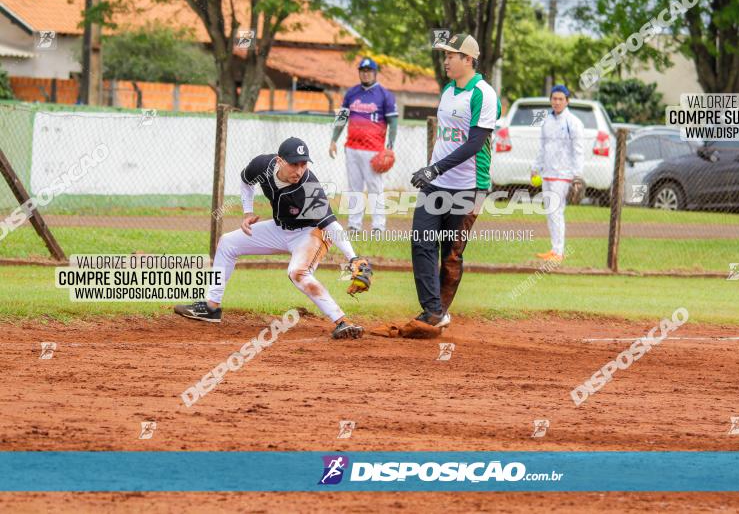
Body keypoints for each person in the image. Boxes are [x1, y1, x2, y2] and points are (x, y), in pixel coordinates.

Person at [174, 137, 368, 339]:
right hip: (280, 228)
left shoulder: (309, 186)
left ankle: (343, 321)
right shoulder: (262, 166)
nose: (299, 170)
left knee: (298, 273)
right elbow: (245, 182)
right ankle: (211, 307)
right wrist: (247, 213)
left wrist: (352, 258)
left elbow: (331, 224)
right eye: (294, 164)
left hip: (312, 233)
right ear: (279, 161)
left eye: (304, 164)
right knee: (228, 242)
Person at [408, 33, 499, 327]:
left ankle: (437, 311)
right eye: (445, 55)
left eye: (451, 55)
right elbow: (447, 140)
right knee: (421, 241)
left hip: (470, 186)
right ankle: (433, 311)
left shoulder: (484, 94)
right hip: (437, 184)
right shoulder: (448, 90)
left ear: (468, 59)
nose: (445, 60)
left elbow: (474, 144)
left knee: (450, 253)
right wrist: (434, 171)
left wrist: (433, 169)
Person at [330, 57, 398, 234]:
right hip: (352, 148)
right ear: (359, 72)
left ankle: (378, 226)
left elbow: (393, 123)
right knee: (354, 187)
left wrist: (389, 147)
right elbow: (342, 118)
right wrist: (333, 140)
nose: (365, 73)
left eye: (369, 70)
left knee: (375, 188)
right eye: (363, 70)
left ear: (375, 73)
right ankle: (354, 225)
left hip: (373, 150)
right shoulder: (352, 93)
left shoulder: (384, 95)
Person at [530, 84, 585, 262]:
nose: (557, 102)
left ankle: (559, 252)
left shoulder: (573, 122)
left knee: (556, 211)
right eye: (554, 98)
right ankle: (554, 250)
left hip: (564, 175)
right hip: (547, 173)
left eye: (561, 99)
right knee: (550, 212)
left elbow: (579, 150)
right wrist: (535, 167)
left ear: (567, 101)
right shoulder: (546, 121)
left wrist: (577, 175)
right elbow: (542, 147)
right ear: (550, 100)